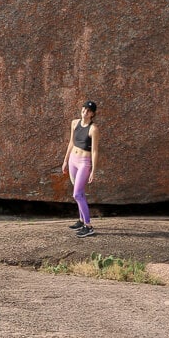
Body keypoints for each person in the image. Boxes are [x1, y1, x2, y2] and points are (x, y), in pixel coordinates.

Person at [61, 100, 98, 237]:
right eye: (84, 109)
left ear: (92, 114)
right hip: (73, 160)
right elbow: (71, 142)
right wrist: (65, 160)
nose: (85, 112)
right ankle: (81, 220)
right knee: (79, 192)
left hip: (84, 162)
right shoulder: (74, 123)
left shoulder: (93, 129)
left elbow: (94, 151)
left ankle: (88, 226)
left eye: (88, 111)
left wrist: (93, 170)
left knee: (77, 194)